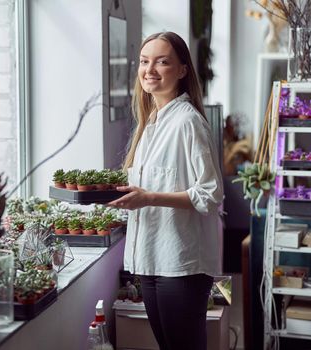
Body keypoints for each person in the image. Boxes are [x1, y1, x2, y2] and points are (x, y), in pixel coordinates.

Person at [108, 31, 223, 350]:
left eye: (162, 62)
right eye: (145, 62)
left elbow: (211, 194)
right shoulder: (151, 123)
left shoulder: (188, 123)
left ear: (183, 70)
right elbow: (152, 187)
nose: (150, 70)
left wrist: (148, 198)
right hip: (151, 258)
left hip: (181, 264)